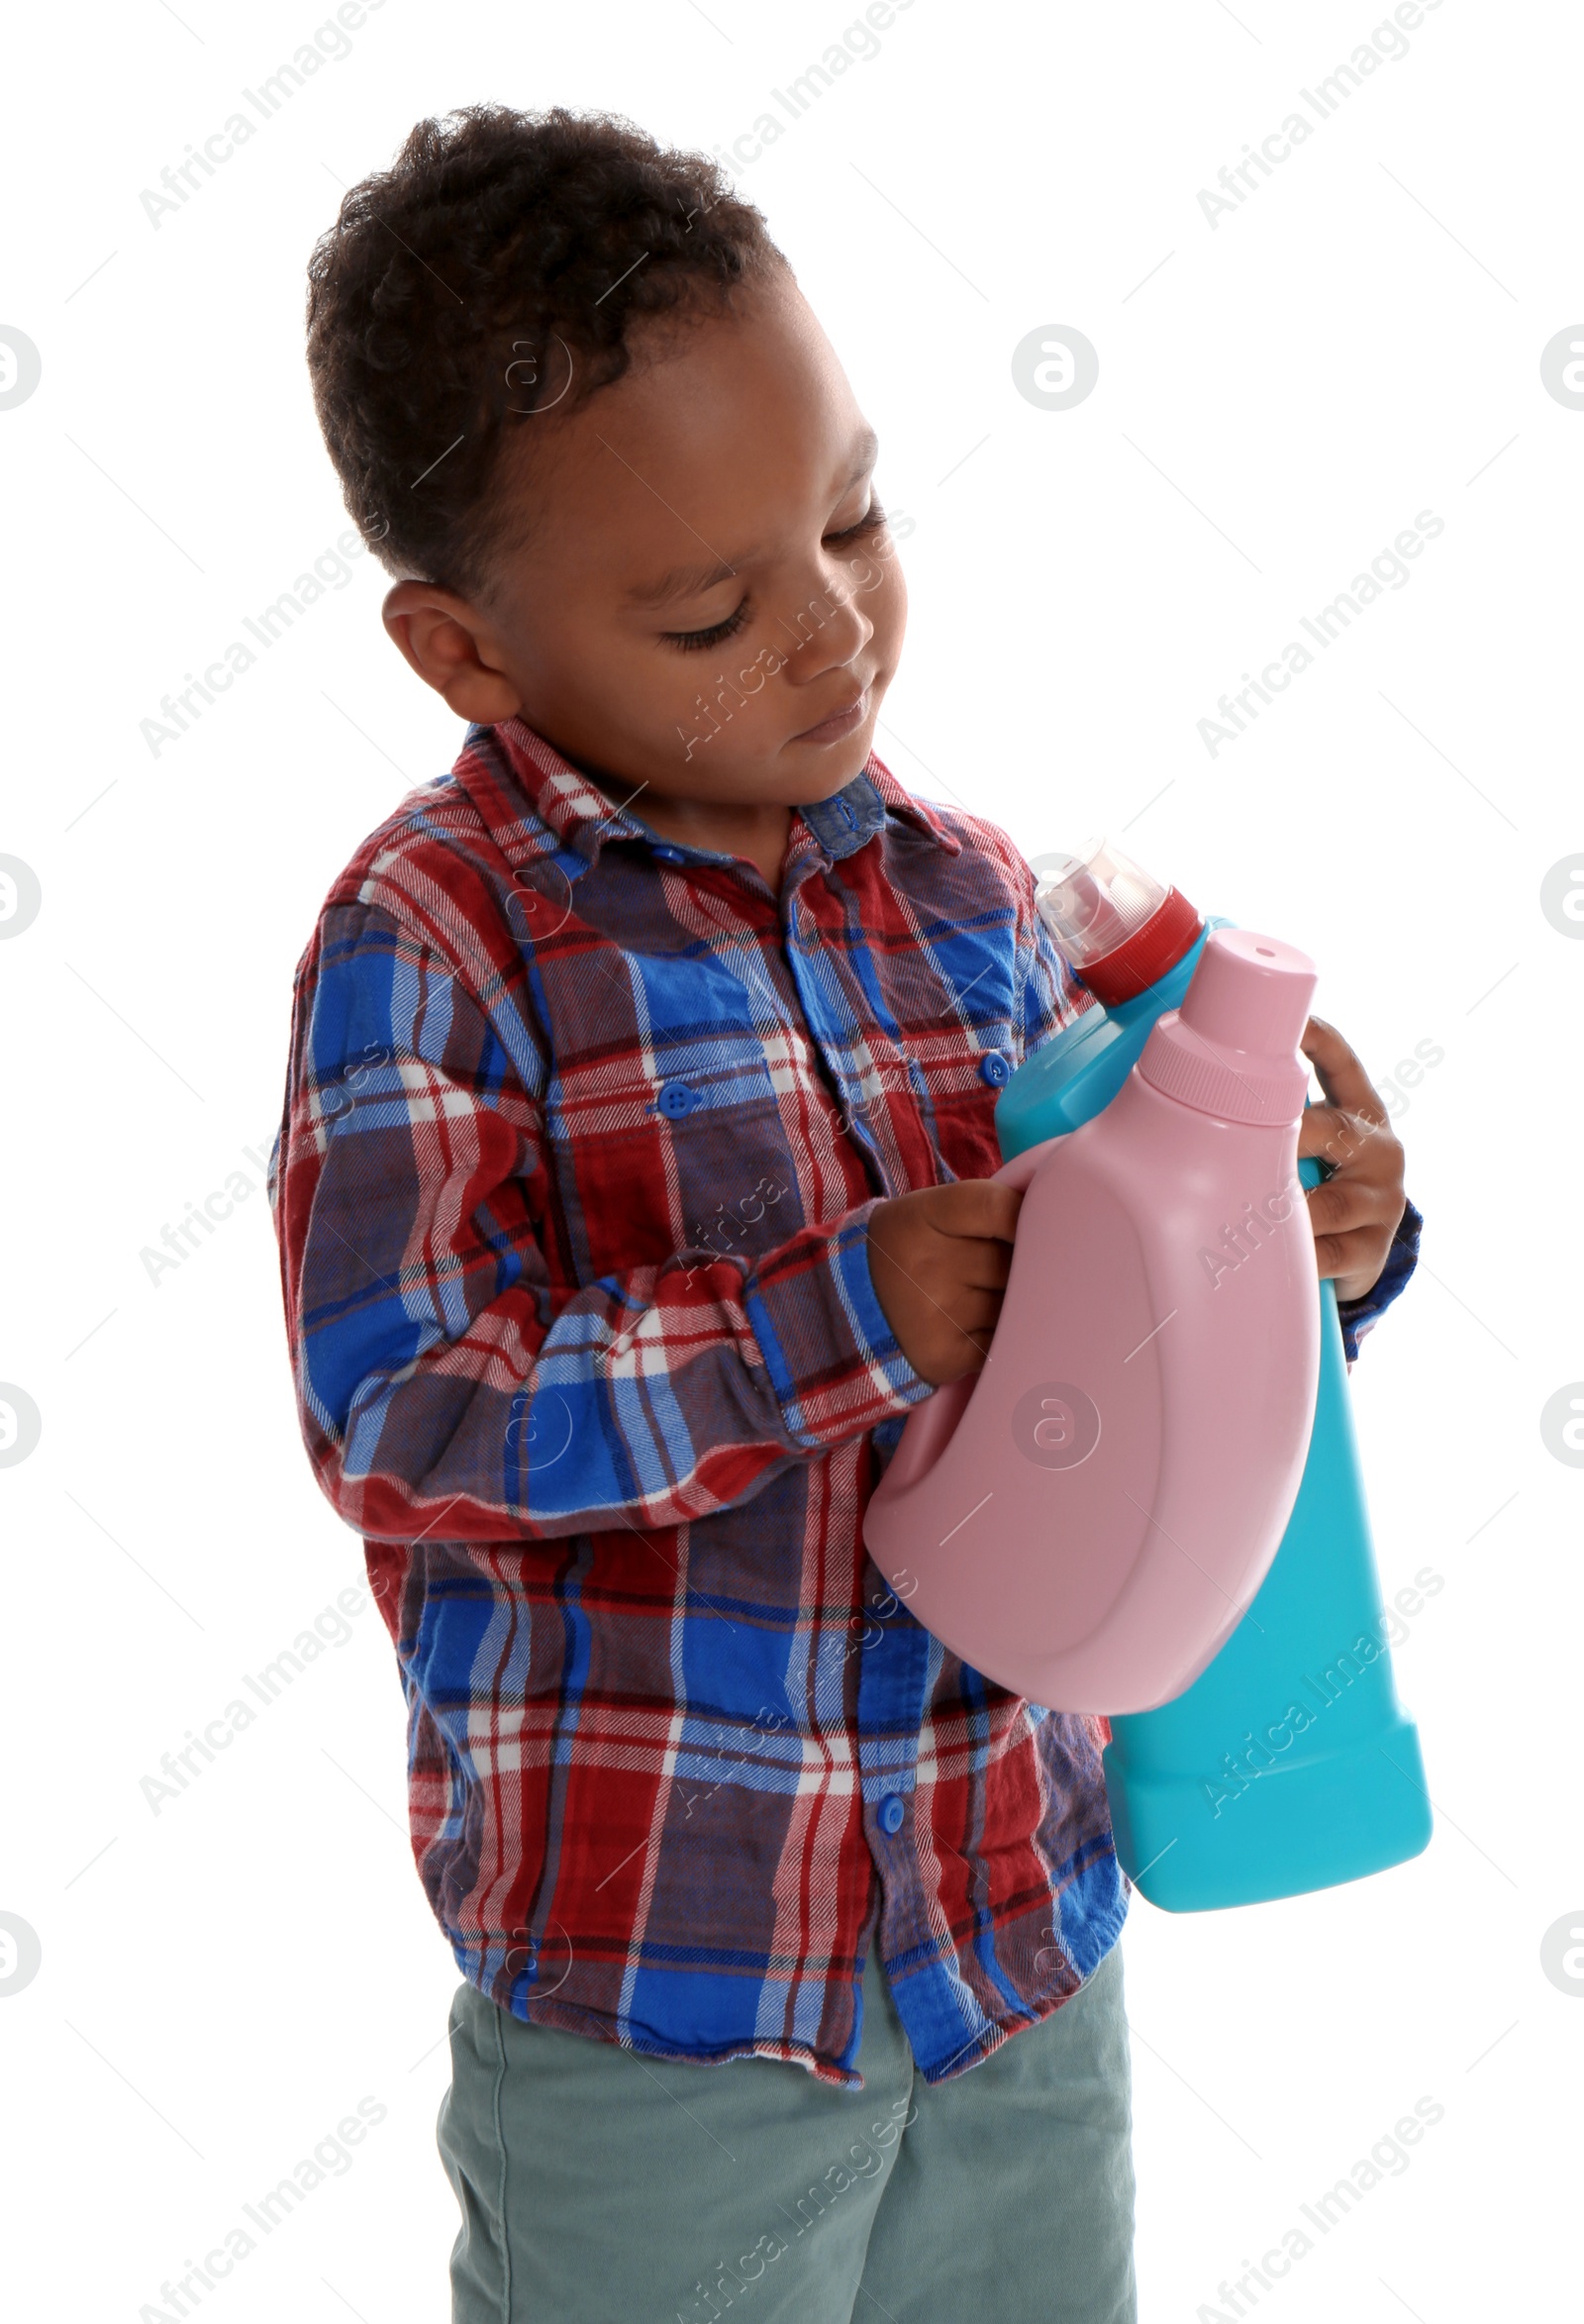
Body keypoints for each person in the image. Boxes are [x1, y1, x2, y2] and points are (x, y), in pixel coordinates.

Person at [267, 103, 1420, 2324]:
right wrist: (841, 1313)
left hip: (1014, 1938)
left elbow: (1118, 1364)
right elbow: (401, 1413)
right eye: (710, 605)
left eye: (854, 515)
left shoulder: (978, 901)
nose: (827, 634)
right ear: (466, 653)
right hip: (666, 2001)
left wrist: (1296, 1252)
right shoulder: (439, 940)